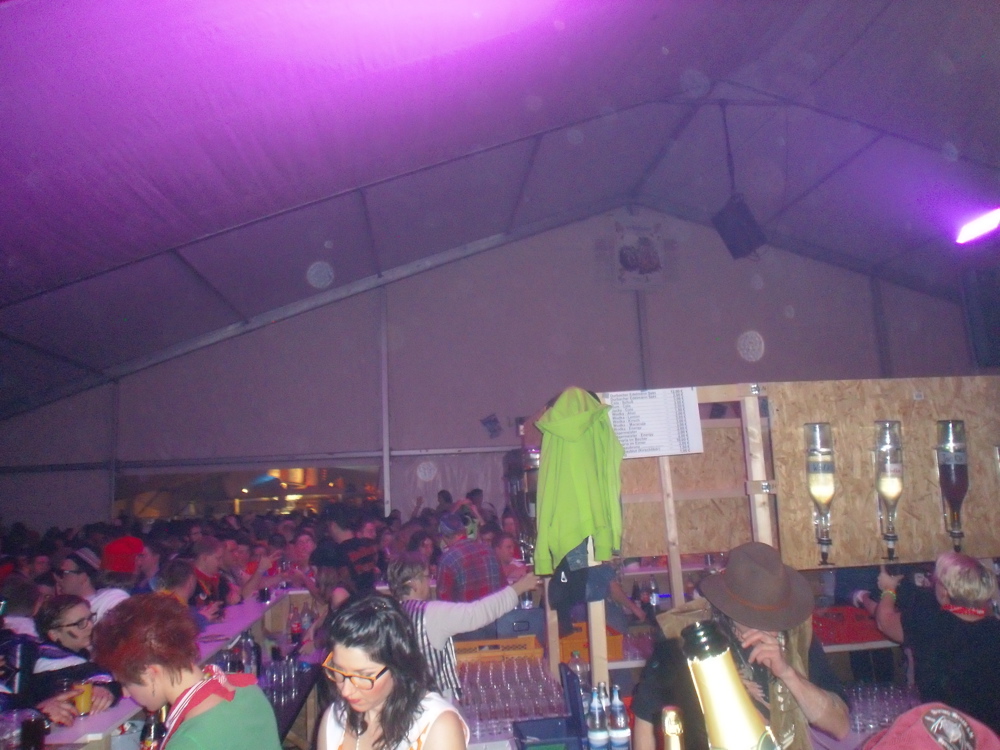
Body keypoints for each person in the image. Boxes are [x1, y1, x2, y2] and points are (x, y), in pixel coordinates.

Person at [634, 542, 849, 750]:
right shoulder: (688, 636)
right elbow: (646, 719)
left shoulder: (796, 633)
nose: (774, 626)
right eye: (762, 615)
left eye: (778, 614)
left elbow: (841, 727)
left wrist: (788, 673)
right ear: (731, 606)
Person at [93, 593, 282, 750]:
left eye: (125, 682)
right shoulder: (248, 689)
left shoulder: (189, 741)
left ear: (150, 673)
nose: (125, 693)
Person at [867, 553, 1000, 732]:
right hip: (990, 734)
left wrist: (889, 589)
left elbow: (885, 621)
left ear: (944, 592)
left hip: (943, 733)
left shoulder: (929, 623)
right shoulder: (994, 629)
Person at [318, 595, 468, 750]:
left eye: (363, 676)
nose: (346, 690)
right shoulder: (334, 721)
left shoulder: (437, 726)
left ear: (398, 667)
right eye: (339, 671)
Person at [388, 552, 540, 700]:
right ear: (413, 584)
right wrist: (518, 588)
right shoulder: (431, 613)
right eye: (427, 577)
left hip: (404, 702)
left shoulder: (390, 616)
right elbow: (476, 614)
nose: (429, 582)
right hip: (433, 704)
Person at [30, 594, 121, 711]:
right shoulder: (52, 670)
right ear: (54, 634)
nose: (90, 626)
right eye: (80, 623)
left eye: (90, 618)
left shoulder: (84, 653)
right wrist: (108, 688)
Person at [435, 513, 503, 603]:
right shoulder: (489, 551)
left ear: (444, 536)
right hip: (493, 610)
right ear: (464, 531)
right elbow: (503, 588)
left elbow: (444, 599)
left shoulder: (447, 559)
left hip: (465, 611)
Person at [55, 549, 129, 624]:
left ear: (83, 577)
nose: (60, 579)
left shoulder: (110, 600)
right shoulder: (65, 607)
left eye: (64, 573)